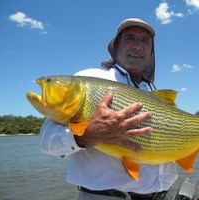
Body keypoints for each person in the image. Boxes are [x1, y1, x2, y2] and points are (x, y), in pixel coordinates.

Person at [40, 18, 178, 200]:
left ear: (151, 52)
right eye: (130, 38)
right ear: (116, 47)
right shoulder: (88, 80)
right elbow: (47, 141)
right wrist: (86, 136)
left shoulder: (152, 91)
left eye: (145, 41)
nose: (138, 46)